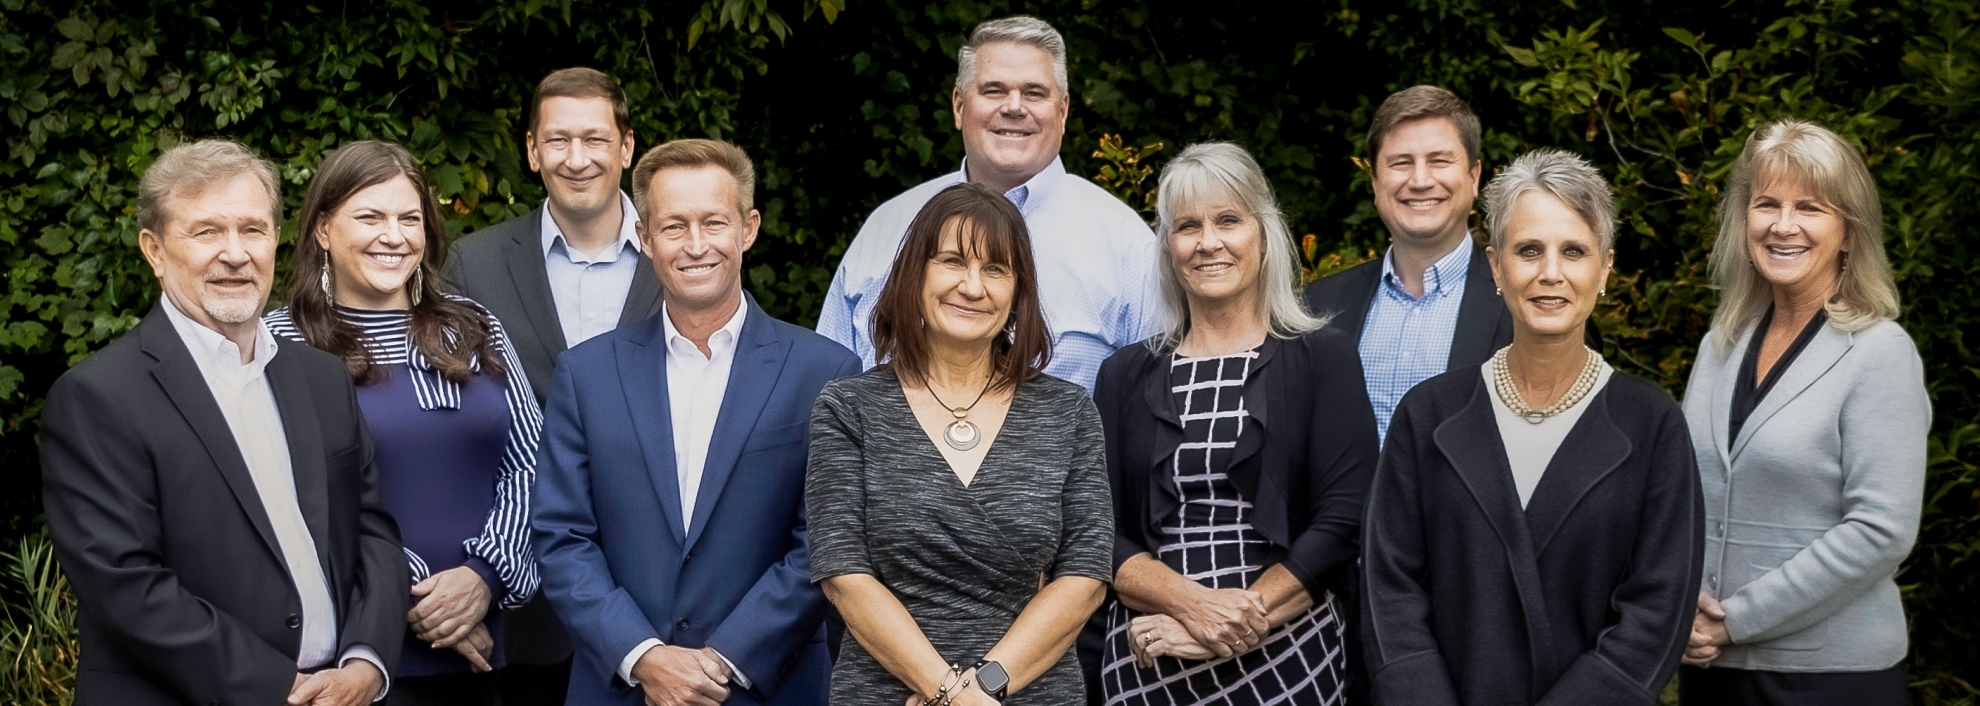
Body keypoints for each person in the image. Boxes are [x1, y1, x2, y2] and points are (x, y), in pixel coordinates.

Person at [39, 139, 405, 705]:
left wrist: (365, 661)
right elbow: (125, 584)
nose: (235, 254)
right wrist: (281, 687)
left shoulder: (321, 378)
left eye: (253, 230)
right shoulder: (97, 398)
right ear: (154, 251)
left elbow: (374, 532)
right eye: (207, 232)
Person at [1360, 149, 1703, 704]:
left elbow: (1658, 607)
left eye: (1574, 251)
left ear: (1605, 268)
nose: (1551, 273)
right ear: (1496, 267)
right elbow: (1389, 587)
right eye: (1528, 251)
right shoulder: (1428, 416)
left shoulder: (1651, 424)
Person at [533, 138, 858, 706]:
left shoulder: (824, 371)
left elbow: (825, 541)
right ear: (645, 238)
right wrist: (643, 655)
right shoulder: (585, 373)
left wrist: (724, 660)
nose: (696, 245)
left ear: (748, 229)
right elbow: (562, 537)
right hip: (622, 687)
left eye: (714, 222)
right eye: (674, 226)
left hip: (769, 686)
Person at [1093, 143, 1381, 706]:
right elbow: (1097, 529)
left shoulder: (1324, 358)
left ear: (1263, 233)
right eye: (1187, 226)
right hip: (1150, 652)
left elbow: (1346, 518)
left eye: (1229, 220)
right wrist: (1190, 607)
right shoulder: (1124, 374)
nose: (1208, 242)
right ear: (1167, 246)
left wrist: (1229, 623)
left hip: (1286, 656)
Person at [807, 183, 1114, 706]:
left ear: (1019, 290)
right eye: (952, 261)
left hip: (1030, 691)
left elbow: (1086, 574)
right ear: (915, 274)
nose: (973, 286)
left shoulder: (1069, 412)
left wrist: (985, 686)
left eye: (996, 269)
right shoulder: (847, 407)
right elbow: (842, 573)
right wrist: (948, 691)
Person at [265, 140, 543, 705]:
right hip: (355, 655)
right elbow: (288, 497)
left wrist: (483, 578)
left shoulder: (476, 326)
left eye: (409, 218)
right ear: (322, 229)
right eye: (370, 216)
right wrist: (415, 594)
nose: (394, 236)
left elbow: (535, 462)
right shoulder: (278, 344)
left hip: (488, 647)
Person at [1675, 120, 1926, 705]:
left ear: (1848, 232)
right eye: (1767, 204)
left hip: (1827, 678)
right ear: (1745, 221)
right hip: (1710, 669)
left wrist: (1733, 619)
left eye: (1809, 207)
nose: (1783, 226)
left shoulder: (1881, 353)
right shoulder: (1721, 344)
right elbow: (1684, 493)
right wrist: (1679, 603)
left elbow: (1881, 531)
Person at [444, 68, 665, 702]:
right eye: (557, 140)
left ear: (626, 148)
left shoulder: (682, 251)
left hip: (655, 592)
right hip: (518, 603)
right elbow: (450, 423)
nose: (576, 159)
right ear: (532, 150)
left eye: (595, 139)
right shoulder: (474, 263)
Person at [817, 15, 1163, 393]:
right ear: (959, 105)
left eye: (1034, 93)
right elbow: (826, 388)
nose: (1014, 107)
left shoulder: (1126, 244)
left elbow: (1152, 406)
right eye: (994, 90)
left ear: (1062, 111)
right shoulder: (888, 226)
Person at [1301, 86, 1510, 445]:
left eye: (1439, 161)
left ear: (1474, 177)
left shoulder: (1522, 306)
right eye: (1401, 162)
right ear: (1375, 180)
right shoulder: (1317, 307)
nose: (1420, 180)